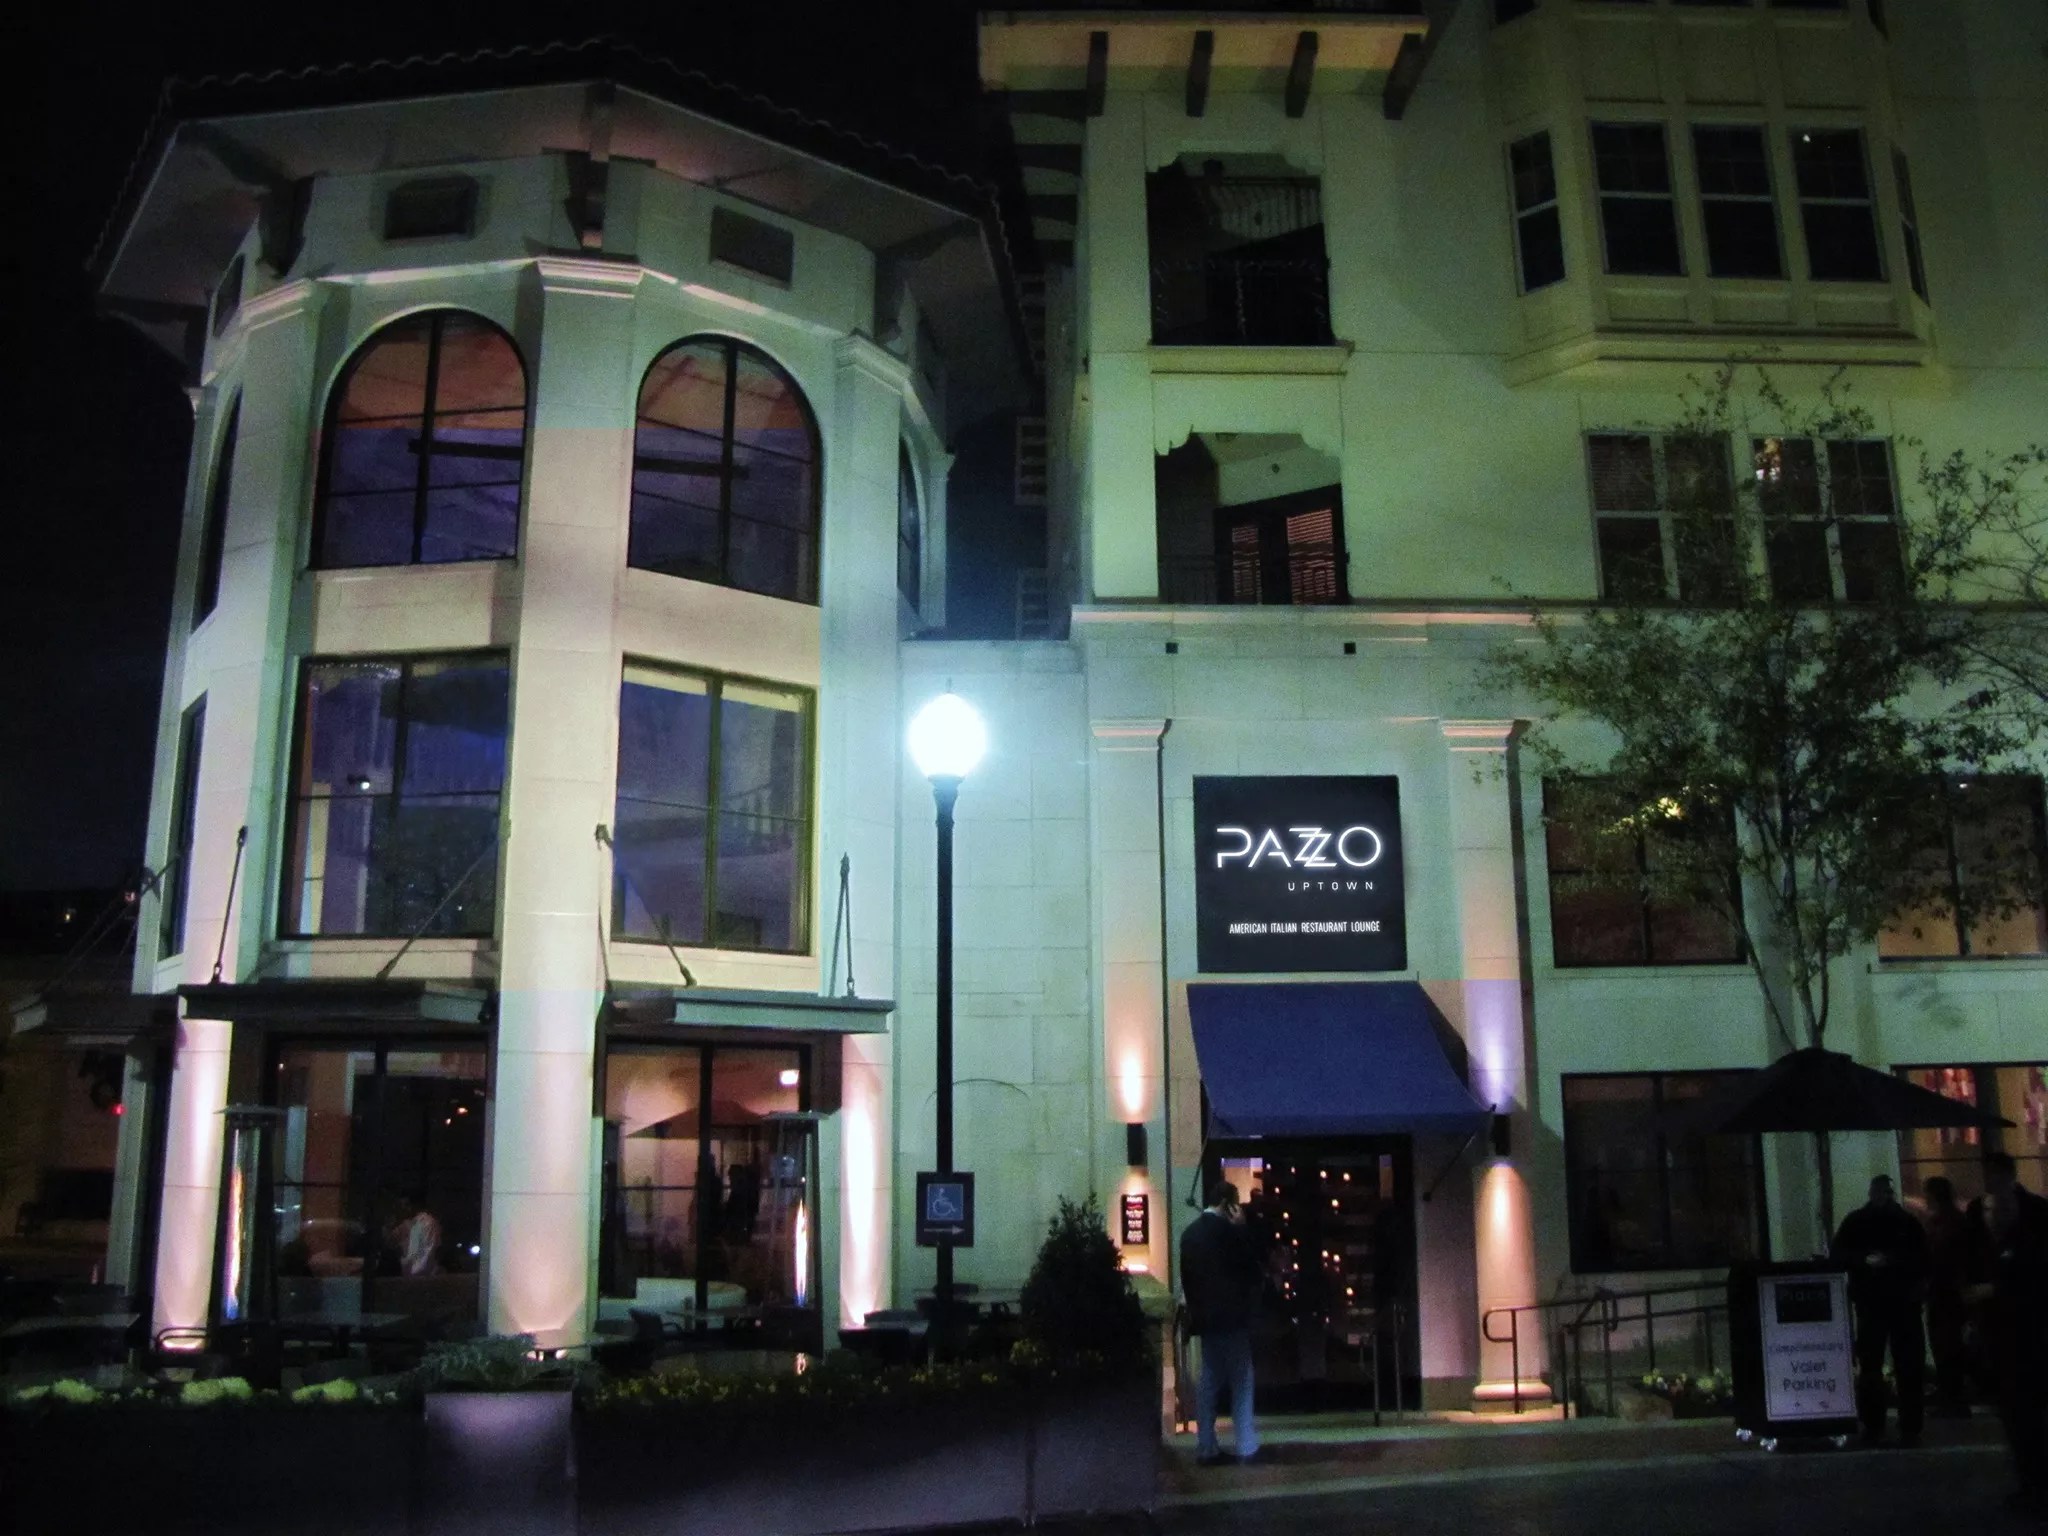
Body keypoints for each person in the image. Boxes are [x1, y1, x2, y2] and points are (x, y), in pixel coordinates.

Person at [1831, 1173, 1928, 1446]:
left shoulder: (1860, 1222)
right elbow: (1921, 1259)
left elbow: (1839, 1255)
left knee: (1876, 1366)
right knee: (1902, 1366)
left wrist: (1866, 1262)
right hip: (1895, 1302)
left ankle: (1878, 1425)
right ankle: (1905, 1427)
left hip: (1876, 1301)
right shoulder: (1905, 1223)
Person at [1981, 1151, 2048, 1513]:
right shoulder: (1988, 1212)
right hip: (2008, 1331)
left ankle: (2035, 1485)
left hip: (2026, 1329)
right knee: (2019, 1415)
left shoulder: (2031, 1215)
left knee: (2027, 1414)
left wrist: (1997, 1287)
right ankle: (2031, 1482)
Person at [1179, 1177, 1263, 1466]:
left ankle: (1206, 1446)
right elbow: (1252, 1270)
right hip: (1233, 1318)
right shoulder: (1231, 1234)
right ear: (1228, 1205)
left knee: (1208, 1381)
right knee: (1242, 1380)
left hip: (1206, 1320)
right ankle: (1246, 1444)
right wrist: (1242, 1229)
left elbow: (1188, 1281)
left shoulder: (1190, 1235)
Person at [1919, 1175, 1975, 1417]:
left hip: (1944, 1294)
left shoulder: (1941, 1224)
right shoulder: (1955, 1222)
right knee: (1950, 1347)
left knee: (1945, 1347)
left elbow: (1939, 1258)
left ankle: (1952, 1399)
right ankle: (1954, 1397)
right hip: (1950, 1294)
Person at [390, 1192, 443, 1278]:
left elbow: (429, 1251)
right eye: (401, 1206)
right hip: (415, 1274)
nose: (403, 1208)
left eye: (406, 1205)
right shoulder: (407, 1224)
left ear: (415, 1205)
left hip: (419, 1275)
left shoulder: (424, 1223)